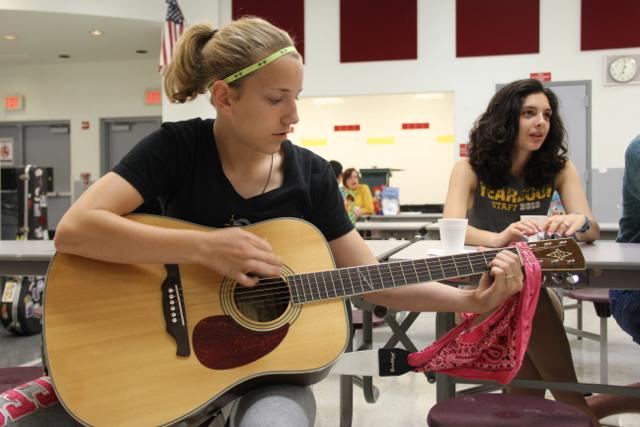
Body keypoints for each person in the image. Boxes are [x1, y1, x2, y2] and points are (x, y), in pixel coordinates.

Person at [44, 18, 524, 427]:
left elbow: (369, 280)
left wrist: (469, 298)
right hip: (162, 362)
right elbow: (75, 229)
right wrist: (202, 249)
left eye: (296, 96)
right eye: (277, 99)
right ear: (224, 97)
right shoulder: (176, 149)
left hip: (268, 373)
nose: (294, 115)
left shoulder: (311, 174)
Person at [443, 78, 601, 425]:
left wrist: (576, 221)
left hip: (538, 290)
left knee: (530, 297)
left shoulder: (559, 169)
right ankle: (582, 415)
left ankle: (537, 417)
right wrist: (499, 238)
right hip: (480, 293)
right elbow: (452, 228)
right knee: (526, 298)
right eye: (529, 113)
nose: (541, 122)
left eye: (546, 114)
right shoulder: (469, 168)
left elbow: (592, 227)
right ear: (506, 119)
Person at [588, 135, 640, 420]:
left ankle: (595, 406)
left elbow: (587, 226)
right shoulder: (639, 149)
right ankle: (593, 407)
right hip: (633, 288)